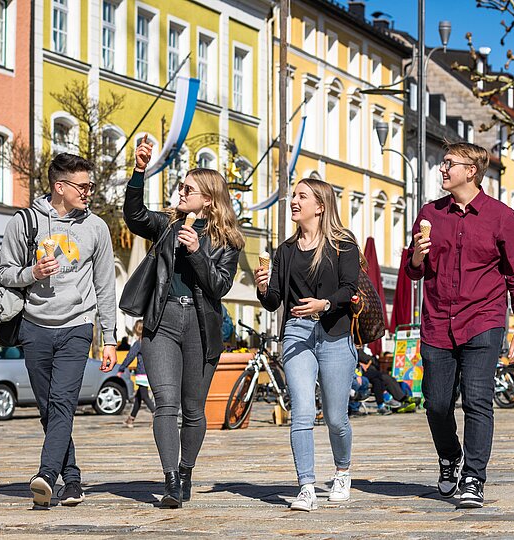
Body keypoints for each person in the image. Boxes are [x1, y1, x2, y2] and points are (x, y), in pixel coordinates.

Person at [105, 140, 243, 509]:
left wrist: (197, 252)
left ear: (209, 200)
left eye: (188, 189)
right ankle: (169, 480)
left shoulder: (228, 240)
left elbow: (219, 286)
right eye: (180, 188)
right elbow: (134, 216)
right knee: (165, 402)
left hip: (201, 325)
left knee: (193, 408)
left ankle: (185, 470)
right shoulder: (167, 225)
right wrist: (139, 171)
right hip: (162, 321)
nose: (180, 193)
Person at [406, 142, 514, 509]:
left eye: (449, 164)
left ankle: (474, 477)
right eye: (443, 163)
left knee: (478, 400)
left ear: (471, 170)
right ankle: (449, 457)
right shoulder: (430, 213)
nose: (442, 169)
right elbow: (414, 271)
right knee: (436, 403)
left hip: (483, 320)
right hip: (437, 323)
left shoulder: (502, 217)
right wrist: (416, 254)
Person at [0, 153, 119, 509]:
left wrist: (109, 338)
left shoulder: (96, 227)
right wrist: (31, 273)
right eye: (83, 186)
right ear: (59, 187)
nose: (89, 192)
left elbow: (105, 286)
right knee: (49, 410)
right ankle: (74, 480)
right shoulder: (26, 222)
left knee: (64, 401)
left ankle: (46, 475)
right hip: (34, 327)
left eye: (91, 186)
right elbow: (4, 272)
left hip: (77, 325)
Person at [254, 177, 360, 512]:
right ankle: (306, 486)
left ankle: (342, 472)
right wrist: (262, 287)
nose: (294, 201)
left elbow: (349, 289)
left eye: (302, 196)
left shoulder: (343, 244)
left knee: (335, 418)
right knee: (300, 412)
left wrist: (323, 304)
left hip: (334, 333)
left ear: (320, 205)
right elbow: (274, 302)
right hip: (297, 333)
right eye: (293, 196)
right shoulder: (284, 251)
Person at [118, 320, 155, 428]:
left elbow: (130, 356)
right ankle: (131, 419)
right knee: (139, 397)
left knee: (144, 396)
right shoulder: (150, 342)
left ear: (137, 330)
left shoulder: (138, 343)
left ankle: (156, 414)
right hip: (150, 372)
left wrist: (121, 369)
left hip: (142, 373)